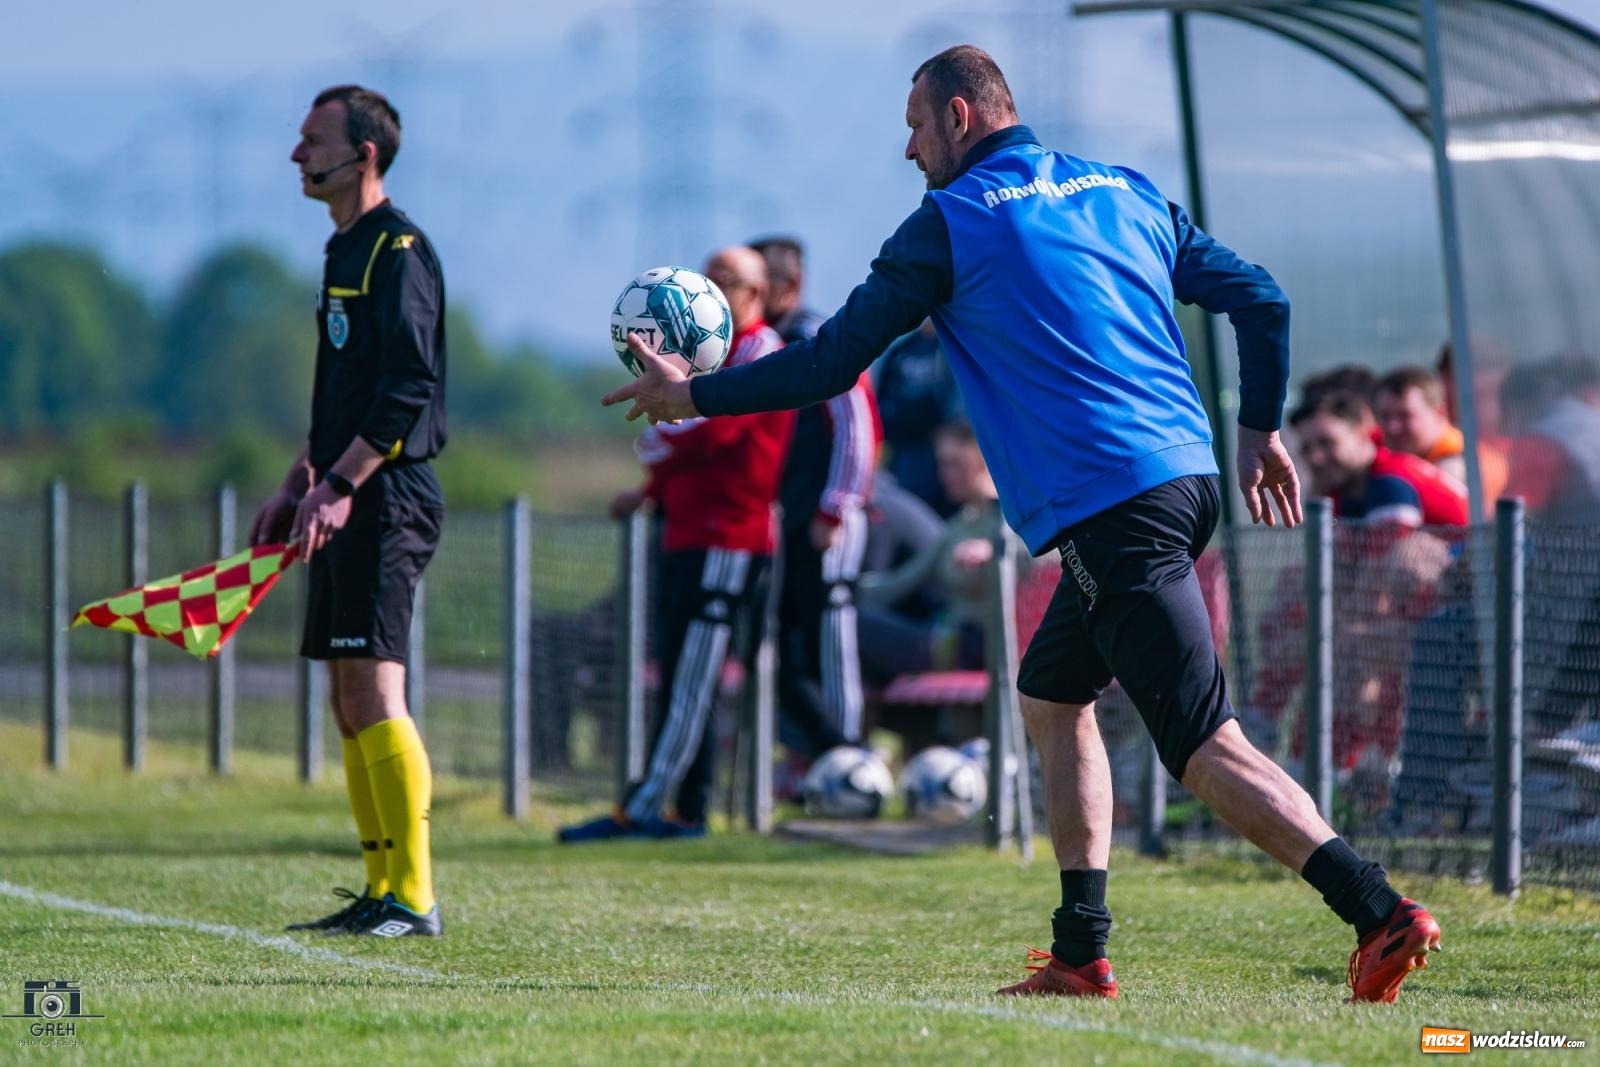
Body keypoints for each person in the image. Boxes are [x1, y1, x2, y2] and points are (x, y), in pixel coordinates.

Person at [605, 44, 1444, 1003]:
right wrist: (1256, 431)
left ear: (961, 117)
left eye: (917, 125)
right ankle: (1081, 951)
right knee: (1052, 696)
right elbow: (1262, 297)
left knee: (1203, 744)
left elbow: (830, 361)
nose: (910, 149)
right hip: (1181, 479)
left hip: (1112, 503)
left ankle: (1378, 910)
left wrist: (696, 394)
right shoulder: (1123, 189)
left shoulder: (949, 222)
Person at [251, 85, 446, 937]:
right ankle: (379, 888)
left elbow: (409, 390)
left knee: (376, 688)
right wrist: (301, 478)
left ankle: (415, 896)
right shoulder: (344, 250)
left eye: (313, 140)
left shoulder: (399, 250)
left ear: (363, 155)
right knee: (347, 698)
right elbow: (345, 391)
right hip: (340, 493)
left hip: (385, 495)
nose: (298, 154)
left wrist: (341, 484)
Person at [559, 246, 794, 842]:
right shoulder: (711, 360)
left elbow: (713, 431)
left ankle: (648, 807)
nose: (712, 289)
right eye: (707, 276)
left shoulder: (758, 351)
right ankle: (684, 809)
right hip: (691, 534)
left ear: (756, 294)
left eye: (727, 280)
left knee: (692, 679)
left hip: (728, 540)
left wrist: (660, 439)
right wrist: (650, 489)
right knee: (682, 674)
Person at [747, 236, 882, 766]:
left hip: (827, 521)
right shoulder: (769, 343)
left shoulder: (816, 339)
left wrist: (837, 506)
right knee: (791, 648)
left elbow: (859, 424)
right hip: (793, 519)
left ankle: (846, 762)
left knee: (831, 637)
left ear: (788, 287)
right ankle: (815, 756)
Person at [856, 421, 1008, 685]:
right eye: (942, 464)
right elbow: (899, 582)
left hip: (988, 647)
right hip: (953, 639)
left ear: (984, 460)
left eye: (956, 464)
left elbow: (1044, 560)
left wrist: (997, 551)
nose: (945, 474)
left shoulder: (1013, 521)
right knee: (853, 619)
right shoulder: (960, 524)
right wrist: (843, 592)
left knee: (858, 626)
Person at [1291, 390, 1469, 526]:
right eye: (1306, 448)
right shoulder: (1343, 492)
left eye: (1327, 443)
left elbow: (1380, 568)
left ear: (1362, 432)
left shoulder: (1390, 481)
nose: (1316, 458)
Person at [875, 319, 964, 516]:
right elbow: (880, 415)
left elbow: (958, 416)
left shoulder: (957, 346)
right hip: (905, 470)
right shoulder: (900, 352)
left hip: (949, 475)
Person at [1375, 366, 1468, 485]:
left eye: (1405, 415)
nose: (1393, 427)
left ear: (1440, 413)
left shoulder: (1460, 465)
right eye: (1385, 416)